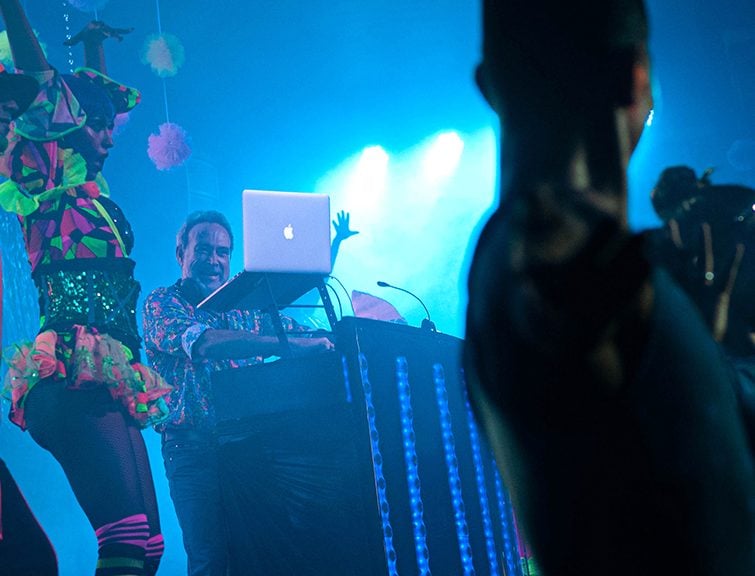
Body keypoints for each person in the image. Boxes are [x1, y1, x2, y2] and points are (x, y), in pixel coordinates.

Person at [464, 2, 755, 576]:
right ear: (635, 79)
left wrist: (712, 350)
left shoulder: (499, 266)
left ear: (488, 84)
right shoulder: (567, 262)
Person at [0, 2, 171, 574]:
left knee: (148, 547)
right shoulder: (45, 176)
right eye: (95, 125)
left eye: (107, 124)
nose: (110, 136)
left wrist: (94, 45)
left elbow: (87, 103)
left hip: (108, 374)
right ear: (63, 126)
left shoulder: (90, 194)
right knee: (123, 540)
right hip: (72, 373)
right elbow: (44, 84)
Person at [143, 210, 348, 576]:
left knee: (263, 548)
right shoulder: (163, 303)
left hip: (251, 445)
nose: (214, 261)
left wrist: (355, 333)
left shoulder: (243, 310)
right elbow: (203, 344)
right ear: (181, 254)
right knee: (210, 559)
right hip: (192, 449)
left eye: (223, 252)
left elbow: (300, 334)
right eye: (203, 250)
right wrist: (288, 345)